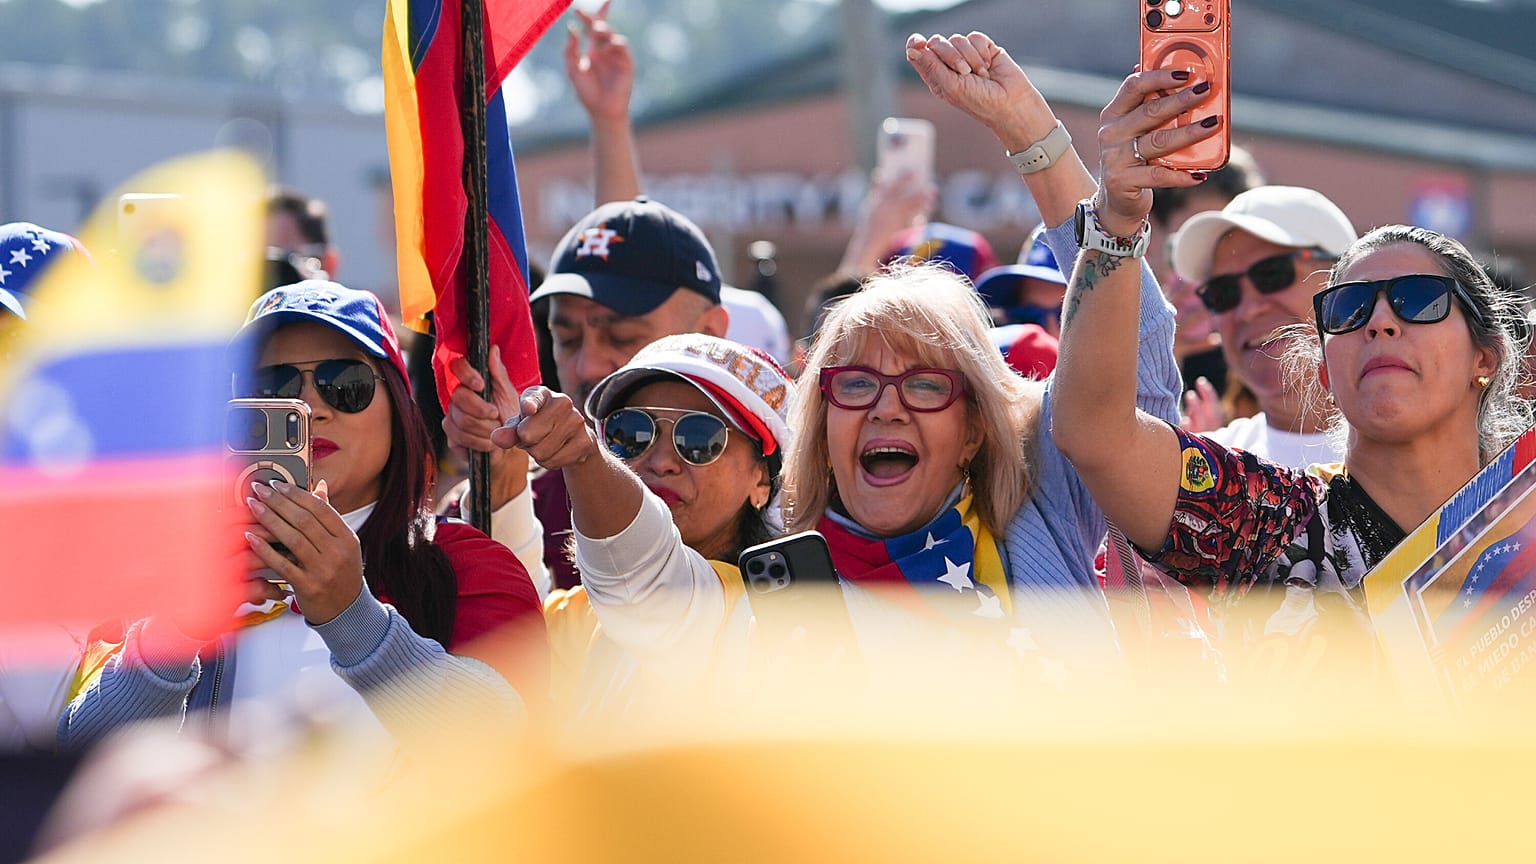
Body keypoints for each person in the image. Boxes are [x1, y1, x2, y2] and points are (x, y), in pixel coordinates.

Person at [1051, 76, 1528, 676]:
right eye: (1348, 309)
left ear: (1485, 357)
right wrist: (1116, 222)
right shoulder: (1272, 523)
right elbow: (1094, 433)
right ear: (1325, 370)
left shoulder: (1528, 515)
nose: (1381, 322)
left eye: (1418, 299)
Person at [58, 281, 547, 750]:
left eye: (345, 384)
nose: (310, 407)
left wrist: (352, 617)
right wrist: (173, 634)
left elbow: (512, 751)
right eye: (274, 385)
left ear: (398, 406)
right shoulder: (179, 569)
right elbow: (73, 768)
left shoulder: (466, 567)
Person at [490, 333, 792, 711]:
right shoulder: (586, 612)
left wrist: (584, 458)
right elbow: (507, 650)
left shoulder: (762, 612)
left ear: (762, 480)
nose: (661, 460)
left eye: (699, 438)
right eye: (632, 432)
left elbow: (646, 581)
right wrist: (502, 468)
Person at [1170, 185, 1358, 468]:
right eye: (1223, 291)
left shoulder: (1421, 448)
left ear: (1345, 280)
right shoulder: (1202, 468)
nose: (1248, 310)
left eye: (1272, 274)